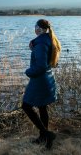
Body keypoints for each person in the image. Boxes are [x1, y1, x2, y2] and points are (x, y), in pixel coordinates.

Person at [22, 19, 61, 149]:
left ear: (40, 29)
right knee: (42, 107)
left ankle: (46, 134)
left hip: (39, 80)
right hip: (47, 79)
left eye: (36, 26)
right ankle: (44, 139)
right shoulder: (49, 40)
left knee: (26, 106)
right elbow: (45, 62)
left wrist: (28, 72)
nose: (35, 29)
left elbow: (40, 66)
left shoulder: (41, 43)